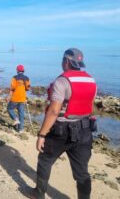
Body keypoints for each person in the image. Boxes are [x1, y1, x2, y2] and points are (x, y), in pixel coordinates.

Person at [30, 48, 97, 199]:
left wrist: (41, 135)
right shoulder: (91, 80)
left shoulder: (62, 81)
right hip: (84, 130)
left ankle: (39, 194)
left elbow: (54, 111)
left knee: (45, 160)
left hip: (61, 130)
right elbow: (90, 106)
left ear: (66, 61)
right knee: (82, 172)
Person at [6, 64, 31, 133]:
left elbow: (12, 89)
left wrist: (8, 97)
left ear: (17, 70)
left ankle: (15, 119)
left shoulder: (14, 78)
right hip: (22, 98)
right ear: (23, 71)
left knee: (9, 109)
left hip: (15, 98)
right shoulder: (27, 78)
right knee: (21, 113)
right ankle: (21, 129)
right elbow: (28, 88)